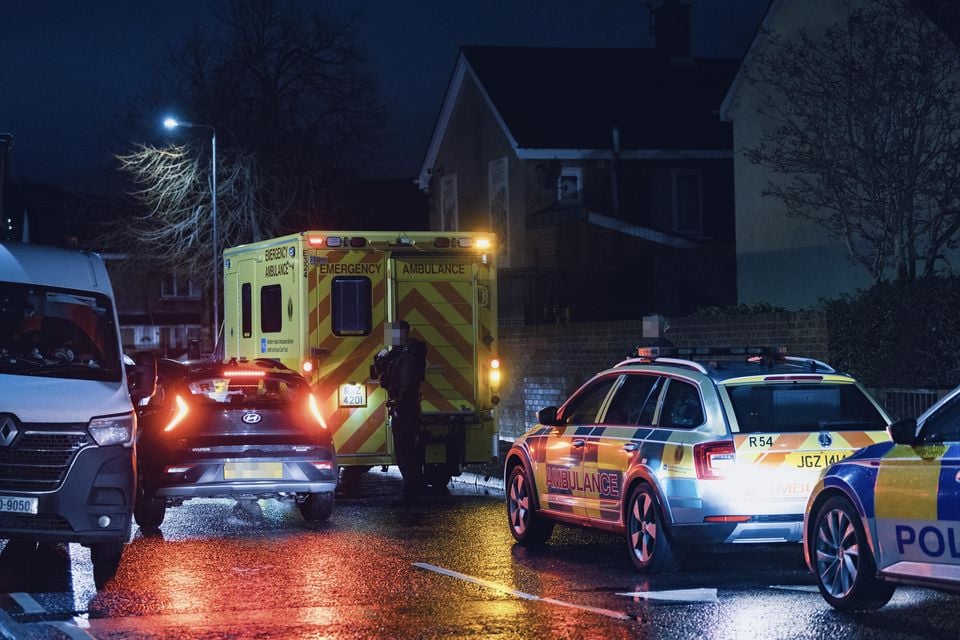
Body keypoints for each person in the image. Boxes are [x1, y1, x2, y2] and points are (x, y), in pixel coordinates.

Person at [374, 320, 427, 498]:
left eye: (395, 334)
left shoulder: (408, 357)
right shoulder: (398, 354)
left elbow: (407, 385)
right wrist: (380, 358)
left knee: (405, 447)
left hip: (405, 406)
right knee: (406, 446)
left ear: (404, 334)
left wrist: (399, 407)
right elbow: (384, 375)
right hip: (403, 404)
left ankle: (412, 484)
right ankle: (412, 482)